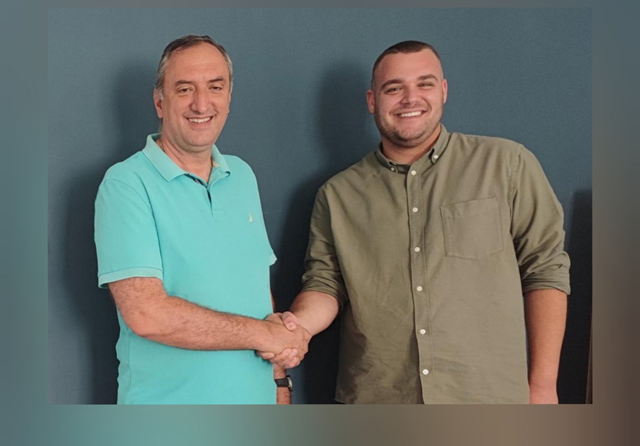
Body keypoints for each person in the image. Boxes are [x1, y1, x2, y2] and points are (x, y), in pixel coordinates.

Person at [262, 40, 570, 404]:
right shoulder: (337, 195)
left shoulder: (506, 165)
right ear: (372, 101)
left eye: (424, 84)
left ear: (443, 91)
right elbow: (325, 285)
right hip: (379, 399)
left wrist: (544, 385)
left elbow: (545, 270)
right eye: (394, 88)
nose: (411, 98)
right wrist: (295, 328)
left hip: (489, 397)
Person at [94, 35, 309, 404]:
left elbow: (255, 286)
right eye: (184, 89)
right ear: (159, 101)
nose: (202, 103)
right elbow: (146, 314)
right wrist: (263, 334)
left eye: (215, 87)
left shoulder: (242, 175)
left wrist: (279, 381)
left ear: (229, 98)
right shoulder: (126, 183)